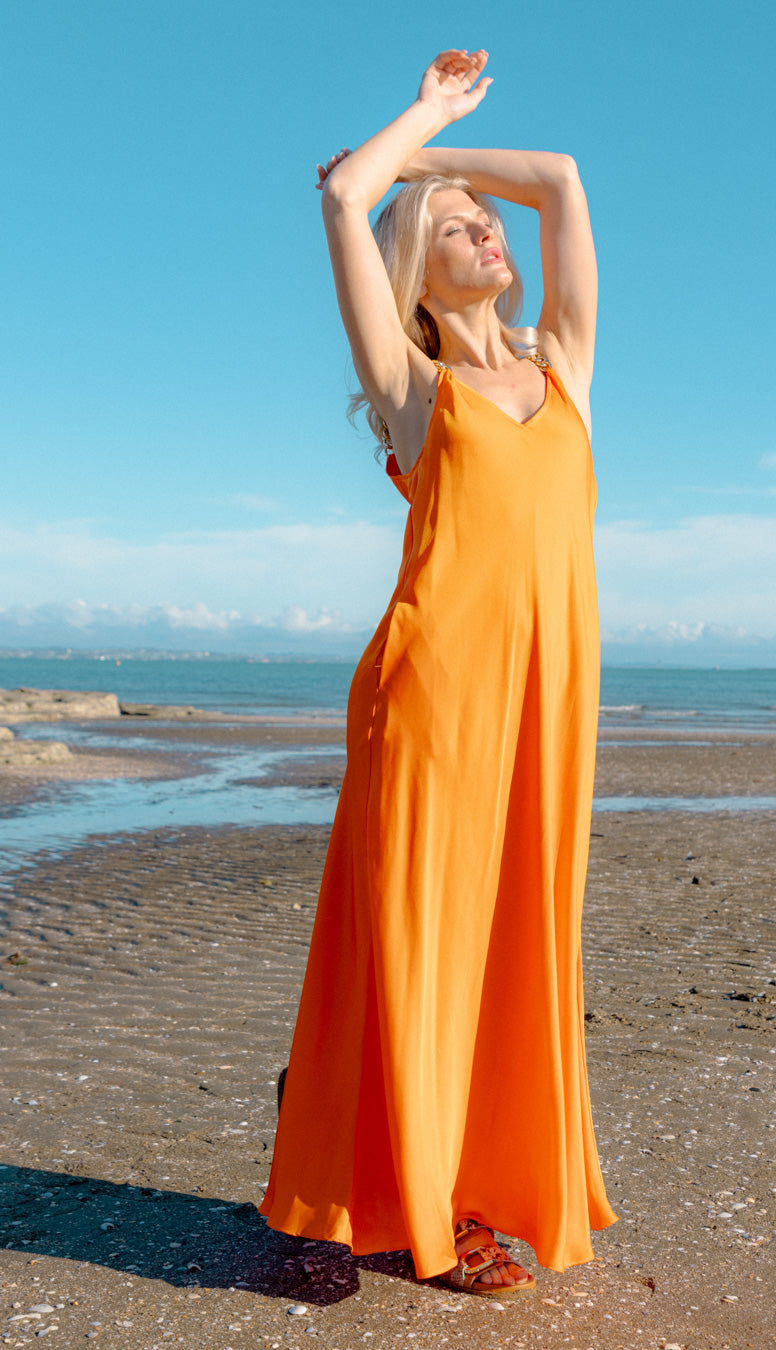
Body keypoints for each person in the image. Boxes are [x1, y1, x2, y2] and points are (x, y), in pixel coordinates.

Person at [260, 48, 617, 1297]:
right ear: (419, 272)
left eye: (485, 221)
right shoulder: (417, 388)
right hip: (432, 697)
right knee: (422, 939)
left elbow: (563, 182)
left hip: (547, 706)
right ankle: (431, 1204)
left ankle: (388, 1141)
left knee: (515, 941)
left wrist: (437, 160)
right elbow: (339, 201)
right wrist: (413, 129)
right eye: (458, 230)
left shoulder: (561, 368)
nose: (488, 232)